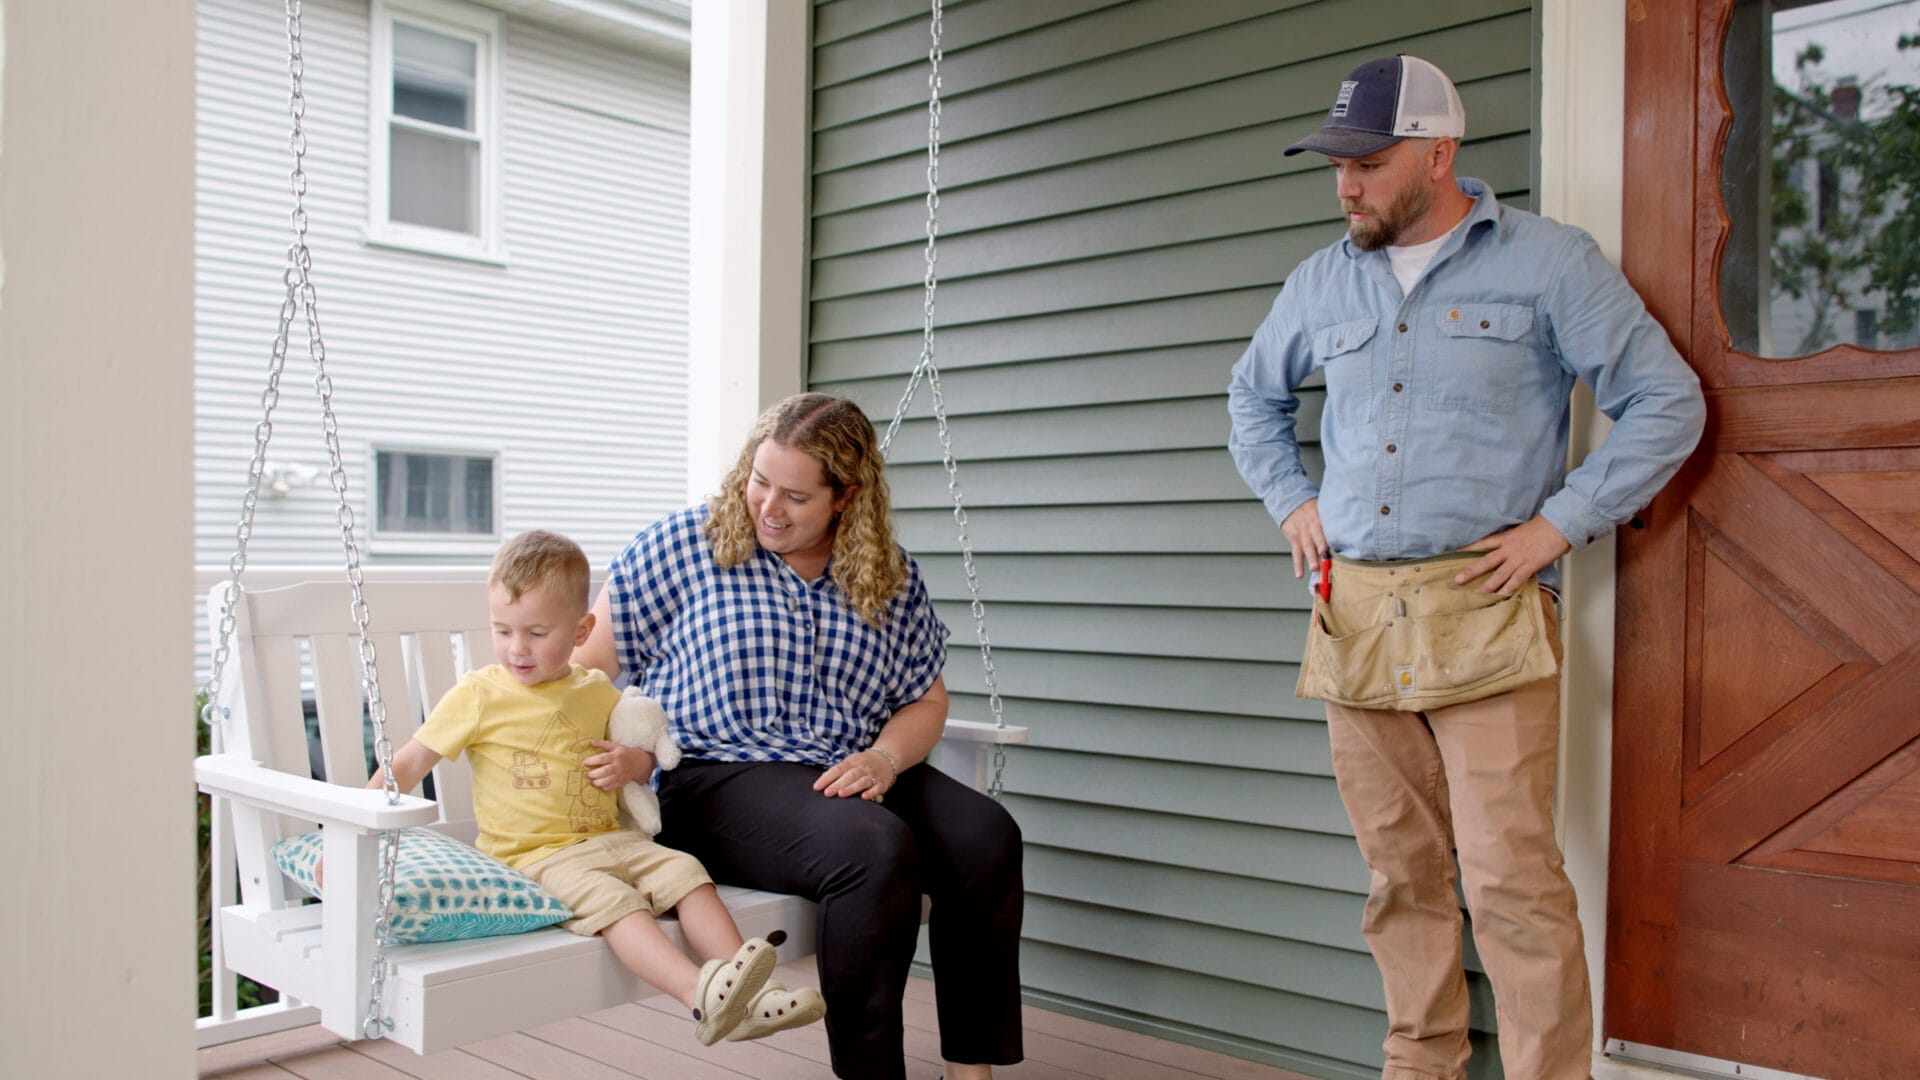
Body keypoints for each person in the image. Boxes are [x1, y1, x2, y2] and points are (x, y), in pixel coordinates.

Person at [1226, 55, 1705, 1080]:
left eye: (1368, 163)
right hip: (1353, 612)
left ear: (1438, 155)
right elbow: (1251, 399)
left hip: (1485, 608)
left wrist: (1560, 525)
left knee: (1511, 885)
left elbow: (1667, 401)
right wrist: (1293, 501)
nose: (1346, 184)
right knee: (1399, 878)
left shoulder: (1549, 263)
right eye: (1337, 165)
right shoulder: (1320, 281)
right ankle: (1421, 1065)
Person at [575, 393, 1024, 1080]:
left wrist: (885, 757)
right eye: (759, 482)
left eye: (796, 496)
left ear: (847, 497)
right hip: (712, 776)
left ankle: (971, 1071)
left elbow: (925, 700)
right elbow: (582, 673)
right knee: (872, 848)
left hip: (848, 768)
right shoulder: (686, 545)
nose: (768, 508)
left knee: (986, 836)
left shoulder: (887, 573)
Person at [370, 529, 826, 1047]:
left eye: (536, 632)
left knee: (688, 874)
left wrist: (634, 762)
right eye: (503, 630)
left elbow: (644, 757)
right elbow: (409, 762)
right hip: (539, 856)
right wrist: (357, 827)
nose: (517, 648)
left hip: (617, 838)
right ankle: (700, 996)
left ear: (582, 629)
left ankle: (753, 994)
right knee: (618, 904)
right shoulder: (479, 694)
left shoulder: (596, 690)